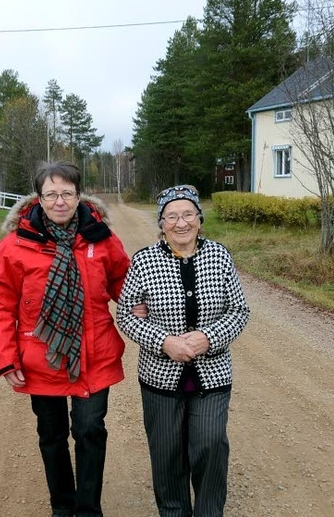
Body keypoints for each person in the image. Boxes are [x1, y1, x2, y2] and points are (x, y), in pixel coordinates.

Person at [0, 161, 130, 517]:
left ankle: (88, 509)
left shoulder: (101, 238)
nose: (60, 201)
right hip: (41, 357)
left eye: (67, 193)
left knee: (90, 429)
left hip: (94, 354)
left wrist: (156, 316)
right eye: (52, 194)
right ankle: (62, 507)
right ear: (39, 198)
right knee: (51, 436)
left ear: (79, 195)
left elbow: (125, 286)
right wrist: (6, 358)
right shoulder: (15, 246)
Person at [116, 184, 250, 517]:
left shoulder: (219, 256)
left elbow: (239, 310)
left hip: (213, 374)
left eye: (188, 214)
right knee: (167, 453)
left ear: (199, 219)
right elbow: (126, 314)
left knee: (210, 445)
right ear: (161, 223)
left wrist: (210, 336)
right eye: (171, 216)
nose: (181, 223)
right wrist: (164, 341)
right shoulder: (144, 261)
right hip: (160, 377)